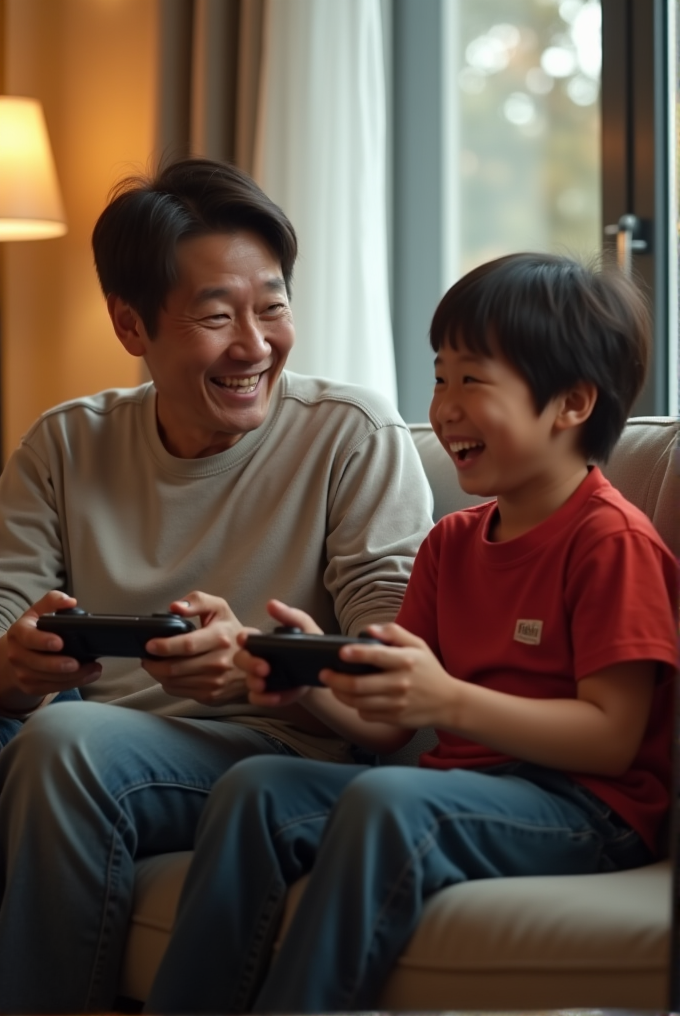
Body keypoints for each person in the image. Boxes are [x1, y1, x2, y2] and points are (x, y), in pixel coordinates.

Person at [145, 252, 679, 1014]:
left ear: (571, 403)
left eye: (473, 380)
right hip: (463, 788)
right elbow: (388, 724)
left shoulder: (610, 542)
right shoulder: (450, 543)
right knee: (255, 787)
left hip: (590, 811)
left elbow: (611, 739)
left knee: (387, 805)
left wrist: (450, 701)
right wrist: (311, 685)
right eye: (439, 377)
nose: (446, 405)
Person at [0, 157, 434, 1012]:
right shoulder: (65, 444)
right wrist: (15, 666)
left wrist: (263, 670)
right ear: (132, 326)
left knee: (63, 744)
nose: (255, 344)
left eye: (272, 306)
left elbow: (399, 691)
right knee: (53, 735)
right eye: (215, 315)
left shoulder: (350, 435)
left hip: (269, 756)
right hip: (89, 742)